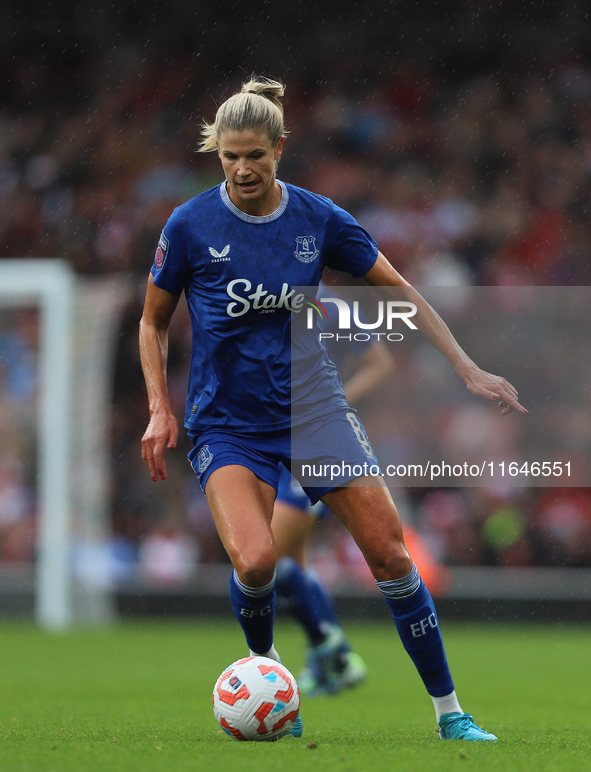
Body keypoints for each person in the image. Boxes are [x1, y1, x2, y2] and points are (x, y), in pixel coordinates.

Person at [139, 76, 526, 741]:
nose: (241, 169)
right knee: (257, 563)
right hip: (227, 422)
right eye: (229, 156)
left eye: (253, 155)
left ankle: (450, 713)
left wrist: (464, 366)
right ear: (217, 154)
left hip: (314, 411)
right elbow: (151, 323)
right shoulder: (189, 224)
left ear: (278, 148)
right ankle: (271, 682)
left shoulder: (318, 219)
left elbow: (399, 291)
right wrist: (157, 408)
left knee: (391, 557)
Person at [273, 297, 394, 697]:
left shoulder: (330, 306)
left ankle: (335, 653)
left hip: (315, 442)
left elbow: (380, 362)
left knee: (268, 557)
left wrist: (331, 404)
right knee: (288, 562)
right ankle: (330, 658)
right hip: (267, 439)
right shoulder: (261, 294)